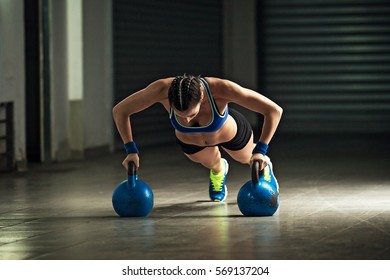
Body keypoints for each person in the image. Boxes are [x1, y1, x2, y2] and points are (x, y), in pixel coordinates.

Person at [113, 74, 282, 202]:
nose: (186, 120)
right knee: (211, 163)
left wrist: (261, 150)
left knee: (247, 158)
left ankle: (265, 168)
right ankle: (218, 170)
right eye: (180, 116)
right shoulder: (161, 90)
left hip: (231, 133)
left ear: (202, 97)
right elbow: (120, 111)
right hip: (192, 143)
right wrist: (131, 150)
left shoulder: (221, 89)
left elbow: (274, 111)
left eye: (192, 114)